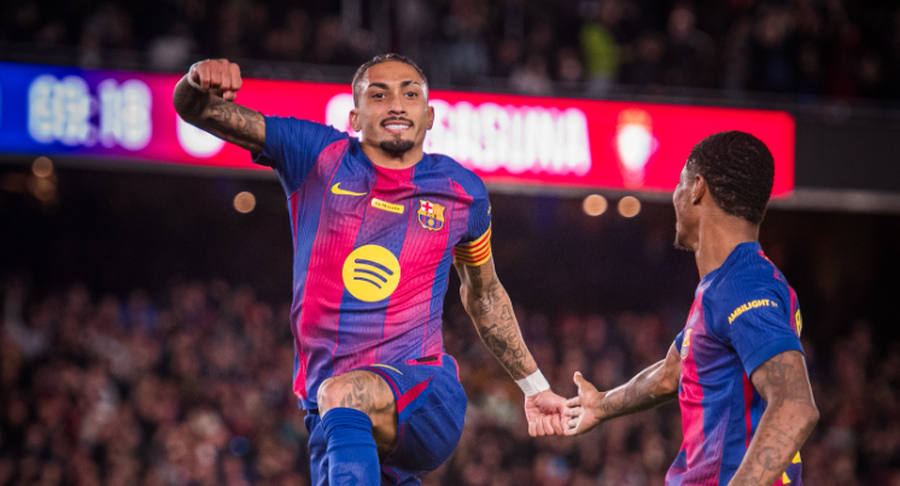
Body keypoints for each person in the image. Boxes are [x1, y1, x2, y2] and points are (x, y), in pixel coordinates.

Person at [172, 54, 566, 485]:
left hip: (424, 393)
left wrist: (535, 387)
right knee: (340, 408)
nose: (396, 105)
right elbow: (195, 109)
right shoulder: (317, 155)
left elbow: (484, 295)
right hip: (333, 416)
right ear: (355, 116)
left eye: (410, 95)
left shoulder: (462, 192)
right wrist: (196, 82)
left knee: (342, 394)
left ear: (429, 116)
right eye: (379, 95)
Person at [563, 131, 819, 485]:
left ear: (697, 187)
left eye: (679, 182)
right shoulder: (725, 285)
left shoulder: (744, 286)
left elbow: (794, 405)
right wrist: (600, 405)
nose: (675, 195)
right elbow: (672, 373)